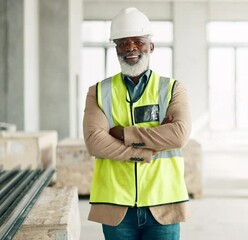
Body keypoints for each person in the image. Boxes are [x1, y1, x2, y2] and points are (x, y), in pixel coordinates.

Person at [83, 7, 191, 240]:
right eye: (123, 43)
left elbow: (179, 135)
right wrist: (148, 148)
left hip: (163, 203)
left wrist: (124, 134)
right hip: (115, 206)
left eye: (138, 42)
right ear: (116, 49)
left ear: (150, 47)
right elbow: (94, 142)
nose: (131, 48)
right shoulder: (99, 92)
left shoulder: (172, 89)